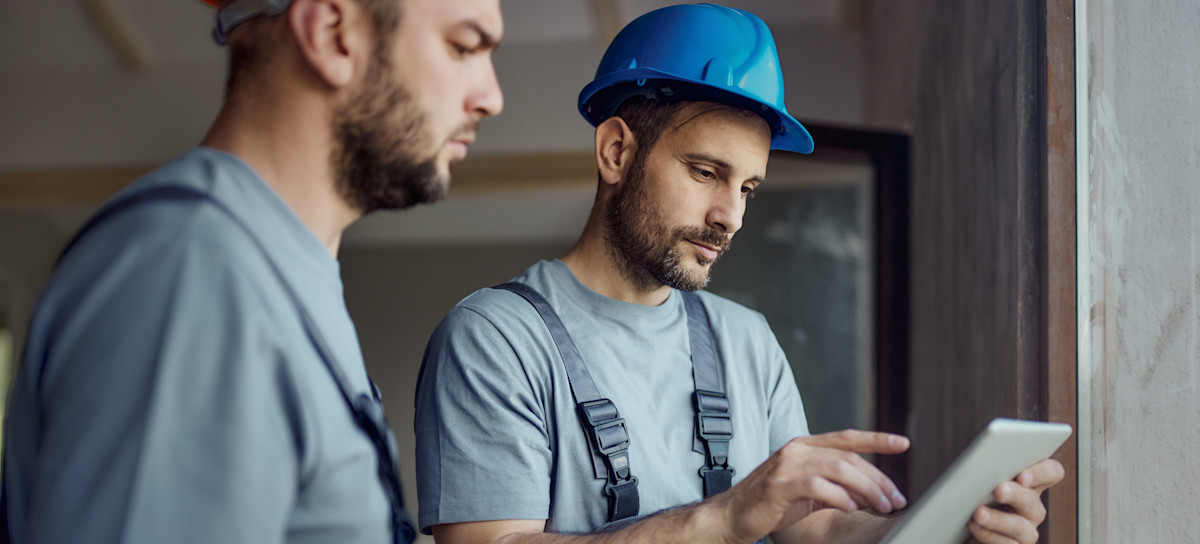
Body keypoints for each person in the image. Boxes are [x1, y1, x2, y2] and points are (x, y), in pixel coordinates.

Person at [413, 4, 1063, 544]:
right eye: (706, 172)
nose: (731, 217)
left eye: (748, 187)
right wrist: (723, 517)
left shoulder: (745, 340)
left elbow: (816, 529)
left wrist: (948, 530)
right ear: (615, 151)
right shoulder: (493, 339)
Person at [0, 0, 502, 542]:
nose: (491, 98)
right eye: (464, 47)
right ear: (333, 34)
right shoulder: (194, 273)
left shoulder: (277, 269)